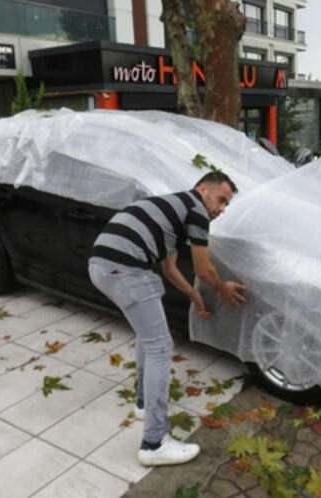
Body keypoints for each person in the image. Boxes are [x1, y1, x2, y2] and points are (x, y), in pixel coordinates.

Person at [88, 171, 247, 467]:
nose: (222, 208)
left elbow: (170, 269)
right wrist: (222, 289)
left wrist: (196, 298)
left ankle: (143, 404)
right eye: (221, 199)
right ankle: (154, 443)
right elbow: (204, 269)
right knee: (161, 346)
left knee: (149, 339)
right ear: (203, 189)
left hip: (101, 265)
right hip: (125, 268)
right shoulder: (196, 210)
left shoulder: (171, 209)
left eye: (227, 204)